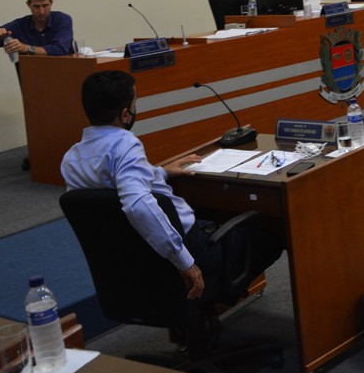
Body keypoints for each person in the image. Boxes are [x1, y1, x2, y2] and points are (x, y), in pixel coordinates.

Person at [61, 71, 283, 305]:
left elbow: (109, 193)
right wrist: (185, 262)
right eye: (135, 104)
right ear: (125, 115)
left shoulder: (72, 158)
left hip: (131, 258)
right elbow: (137, 206)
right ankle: (220, 295)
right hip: (189, 249)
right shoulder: (124, 146)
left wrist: (161, 172)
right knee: (270, 232)